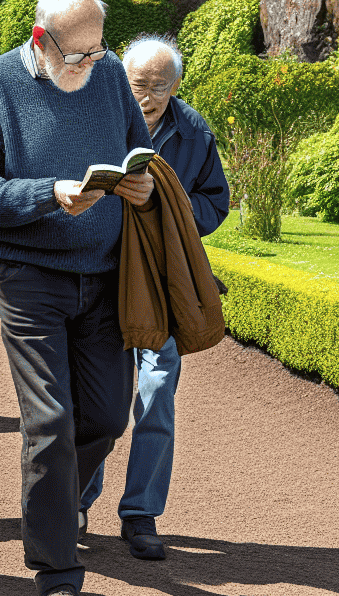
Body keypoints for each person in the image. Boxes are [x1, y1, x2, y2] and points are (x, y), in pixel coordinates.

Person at [0, 0, 155, 596]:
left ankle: (57, 498)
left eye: (100, 51)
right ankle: (57, 576)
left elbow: (133, 153)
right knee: (50, 421)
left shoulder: (112, 74)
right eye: (80, 55)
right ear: (41, 41)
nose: (94, 64)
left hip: (104, 274)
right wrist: (48, 192)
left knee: (104, 418)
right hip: (28, 275)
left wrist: (141, 185)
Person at [80, 34, 230, 559]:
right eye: (137, 85)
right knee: (99, 399)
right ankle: (77, 499)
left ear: (177, 86)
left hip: (161, 284)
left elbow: (216, 202)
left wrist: (172, 213)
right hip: (101, 277)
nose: (145, 97)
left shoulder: (193, 132)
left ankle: (140, 514)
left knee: (157, 392)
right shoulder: (94, 116)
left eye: (158, 88)